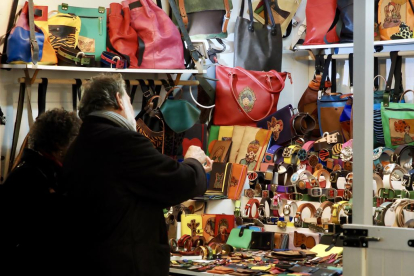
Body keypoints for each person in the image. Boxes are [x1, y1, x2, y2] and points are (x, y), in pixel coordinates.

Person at [62, 73, 213, 276]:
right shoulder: (122, 142)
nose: (132, 109)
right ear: (118, 99)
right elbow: (177, 183)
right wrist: (193, 161)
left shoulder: (78, 145)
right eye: (129, 100)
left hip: (90, 262)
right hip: (125, 264)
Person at [0, 108, 81, 276]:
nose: (79, 146)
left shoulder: (39, 169)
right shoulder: (33, 177)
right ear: (59, 143)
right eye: (76, 139)